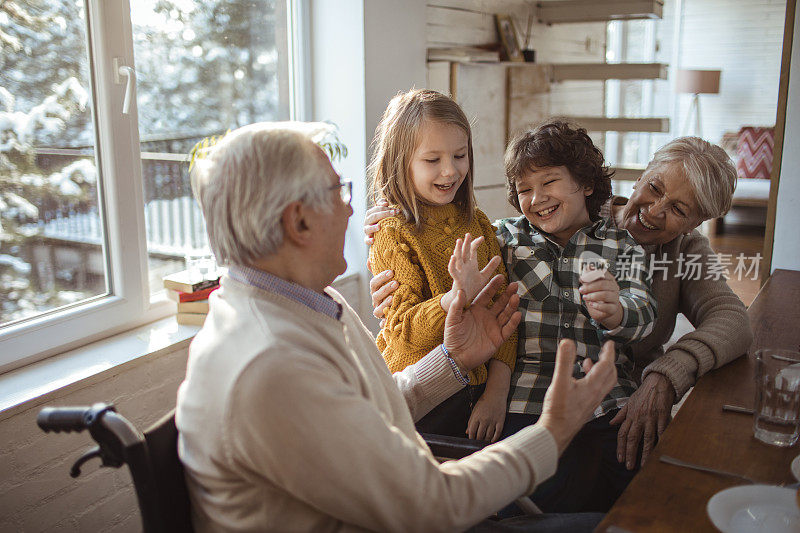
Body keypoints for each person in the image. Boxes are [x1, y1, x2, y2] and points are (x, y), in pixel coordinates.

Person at [175, 121, 619, 532]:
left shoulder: (304, 301)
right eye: (338, 191)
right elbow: (433, 505)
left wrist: (453, 360)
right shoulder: (269, 363)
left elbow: (368, 411)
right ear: (299, 220)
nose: (356, 213)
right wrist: (553, 431)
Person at [367, 135, 752, 477]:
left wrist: (665, 374)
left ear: (698, 223)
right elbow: (447, 256)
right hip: (522, 397)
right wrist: (394, 228)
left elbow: (732, 319)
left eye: (679, 210)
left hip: (608, 398)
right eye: (654, 187)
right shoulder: (524, 226)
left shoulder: (678, 252)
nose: (654, 210)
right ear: (641, 175)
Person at [367, 121, 657, 512]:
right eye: (524, 190)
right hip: (528, 402)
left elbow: (645, 313)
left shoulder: (623, 245)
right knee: (538, 499)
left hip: (606, 401)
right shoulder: (503, 237)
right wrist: (382, 224)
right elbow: (440, 246)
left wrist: (619, 311)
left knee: (640, 489)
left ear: (587, 183)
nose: (537, 198)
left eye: (549, 183)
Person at [368, 89, 517, 441]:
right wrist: (454, 298)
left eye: (460, 155)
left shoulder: (478, 222)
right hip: (420, 398)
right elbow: (402, 331)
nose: (450, 171)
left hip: (478, 395)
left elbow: (504, 312)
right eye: (432, 160)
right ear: (400, 162)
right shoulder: (391, 233)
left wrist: (496, 393)